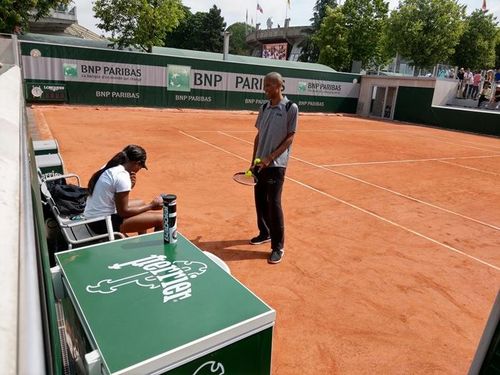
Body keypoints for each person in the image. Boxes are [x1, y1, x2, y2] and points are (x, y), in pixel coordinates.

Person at [249, 72, 298, 264]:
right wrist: (254, 161)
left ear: (278, 86)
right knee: (260, 200)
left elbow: (290, 138)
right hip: (260, 164)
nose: (265, 89)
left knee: (274, 204)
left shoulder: (290, 107)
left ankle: (278, 246)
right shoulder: (264, 107)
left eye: (268, 86)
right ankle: (264, 233)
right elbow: (259, 136)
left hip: (277, 165)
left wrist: (270, 158)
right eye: (264, 85)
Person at [84, 144, 163, 235]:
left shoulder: (111, 166)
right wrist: (151, 206)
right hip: (101, 224)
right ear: (137, 163)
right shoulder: (122, 176)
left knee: (140, 203)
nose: (139, 170)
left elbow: (114, 193)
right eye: (141, 167)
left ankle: (142, 238)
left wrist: (129, 186)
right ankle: (155, 249)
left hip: (92, 217)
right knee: (161, 219)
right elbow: (123, 212)